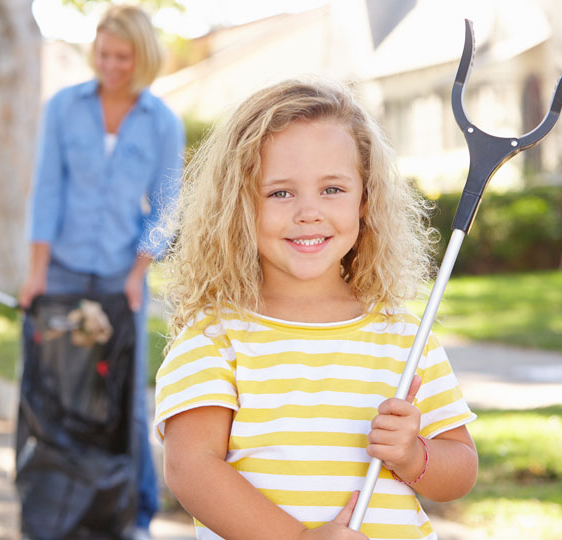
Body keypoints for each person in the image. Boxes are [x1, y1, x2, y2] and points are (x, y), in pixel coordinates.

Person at [153, 79, 479, 540]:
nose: (309, 211)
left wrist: (413, 455)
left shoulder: (403, 335)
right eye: (280, 193)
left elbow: (460, 469)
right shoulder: (214, 338)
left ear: (365, 200)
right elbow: (191, 468)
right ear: (240, 205)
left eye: (332, 189)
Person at [18, 4, 184, 538]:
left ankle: (134, 514)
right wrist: (36, 272)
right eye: (102, 54)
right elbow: (47, 190)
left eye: (121, 56)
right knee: (50, 385)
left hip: (120, 277)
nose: (110, 65)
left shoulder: (162, 122)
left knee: (126, 398)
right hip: (62, 271)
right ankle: (46, 502)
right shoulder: (64, 108)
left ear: (142, 58)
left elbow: (166, 207)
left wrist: (138, 273)